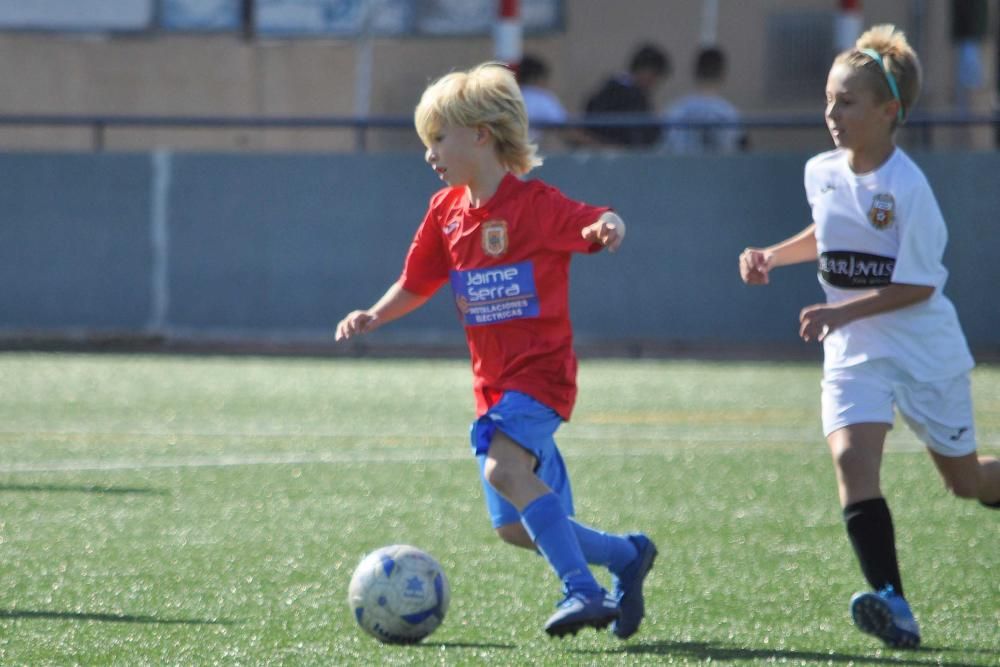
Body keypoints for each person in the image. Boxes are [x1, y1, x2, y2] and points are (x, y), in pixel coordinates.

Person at [335, 62, 657, 639]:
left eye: (438, 138)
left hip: (541, 377)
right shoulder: (445, 213)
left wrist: (611, 227)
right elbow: (418, 281)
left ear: (480, 135)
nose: (429, 153)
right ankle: (626, 555)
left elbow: (594, 219)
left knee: (503, 468)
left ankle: (581, 589)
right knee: (512, 526)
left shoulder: (534, 204)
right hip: (494, 390)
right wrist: (374, 314)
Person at [738, 24, 1000, 650]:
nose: (832, 113)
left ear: (890, 112)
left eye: (847, 102)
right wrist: (772, 255)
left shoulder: (909, 189)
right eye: (828, 99)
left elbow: (918, 287)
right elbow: (828, 234)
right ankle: (894, 603)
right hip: (855, 351)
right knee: (852, 460)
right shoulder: (820, 170)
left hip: (920, 348)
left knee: (964, 483)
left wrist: (839, 313)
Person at [583, 43, 670, 147]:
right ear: (643, 69)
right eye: (654, 75)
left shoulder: (634, 94)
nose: (654, 82)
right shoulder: (618, 93)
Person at [662, 46, 746, 154]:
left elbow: (664, 148)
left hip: (681, 168)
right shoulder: (729, 113)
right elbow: (740, 149)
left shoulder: (675, 110)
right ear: (722, 73)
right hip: (720, 169)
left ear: (695, 72)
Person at [516, 53, 569, 146]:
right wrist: (597, 146)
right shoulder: (540, 98)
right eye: (544, 79)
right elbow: (567, 130)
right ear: (536, 78)